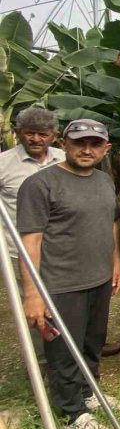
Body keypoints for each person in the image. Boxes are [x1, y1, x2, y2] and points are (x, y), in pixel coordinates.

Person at [17, 119, 120, 429]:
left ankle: (88, 392)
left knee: (92, 341)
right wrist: (32, 294)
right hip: (61, 283)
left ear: (106, 148)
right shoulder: (40, 185)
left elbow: (110, 225)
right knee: (64, 350)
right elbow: (30, 242)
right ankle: (72, 413)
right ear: (63, 144)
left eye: (94, 144)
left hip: (99, 278)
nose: (86, 150)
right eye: (79, 143)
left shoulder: (104, 180)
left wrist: (115, 264)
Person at [1, 107, 64, 359]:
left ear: (54, 136)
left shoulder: (63, 158)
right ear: (17, 133)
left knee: (66, 302)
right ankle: (43, 361)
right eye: (29, 133)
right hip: (22, 252)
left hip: (62, 249)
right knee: (35, 307)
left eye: (43, 134)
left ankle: (73, 351)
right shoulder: (4, 164)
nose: (36, 139)